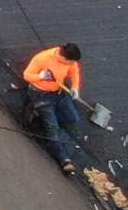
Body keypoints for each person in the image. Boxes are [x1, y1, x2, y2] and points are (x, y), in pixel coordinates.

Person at [20, 41, 88, 176]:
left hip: (57, 92)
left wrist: (75, 87)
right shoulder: (43, 58)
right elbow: (27, 75)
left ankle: (44, 121)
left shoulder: (69, 61)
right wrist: (41, 76)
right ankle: (65, 160)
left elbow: (74, 71)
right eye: (69, 62)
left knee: (72, 118)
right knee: (52, 131)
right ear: (63, 57)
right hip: (40, 95)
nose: (71, 64)